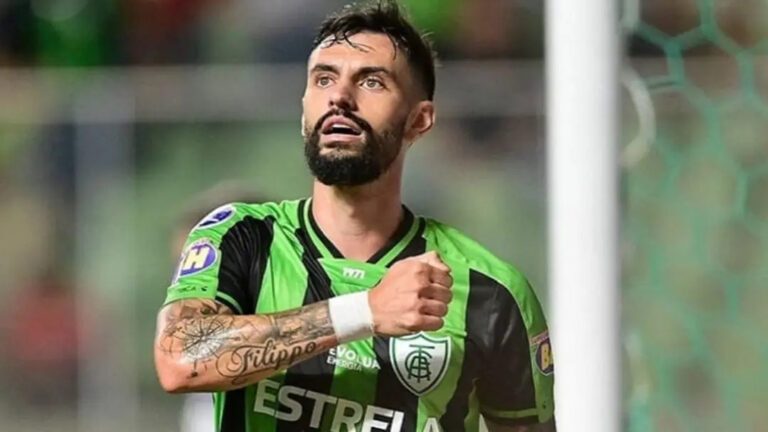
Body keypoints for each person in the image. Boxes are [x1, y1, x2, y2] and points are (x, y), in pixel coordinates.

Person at [153, 2, 555, 431]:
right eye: (323, 78)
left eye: (372, 82)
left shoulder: (491, 292)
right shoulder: (241, 236)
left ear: (418, 121)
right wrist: (365, 311)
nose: (340, 97)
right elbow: (179, 359)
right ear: (304, 109)